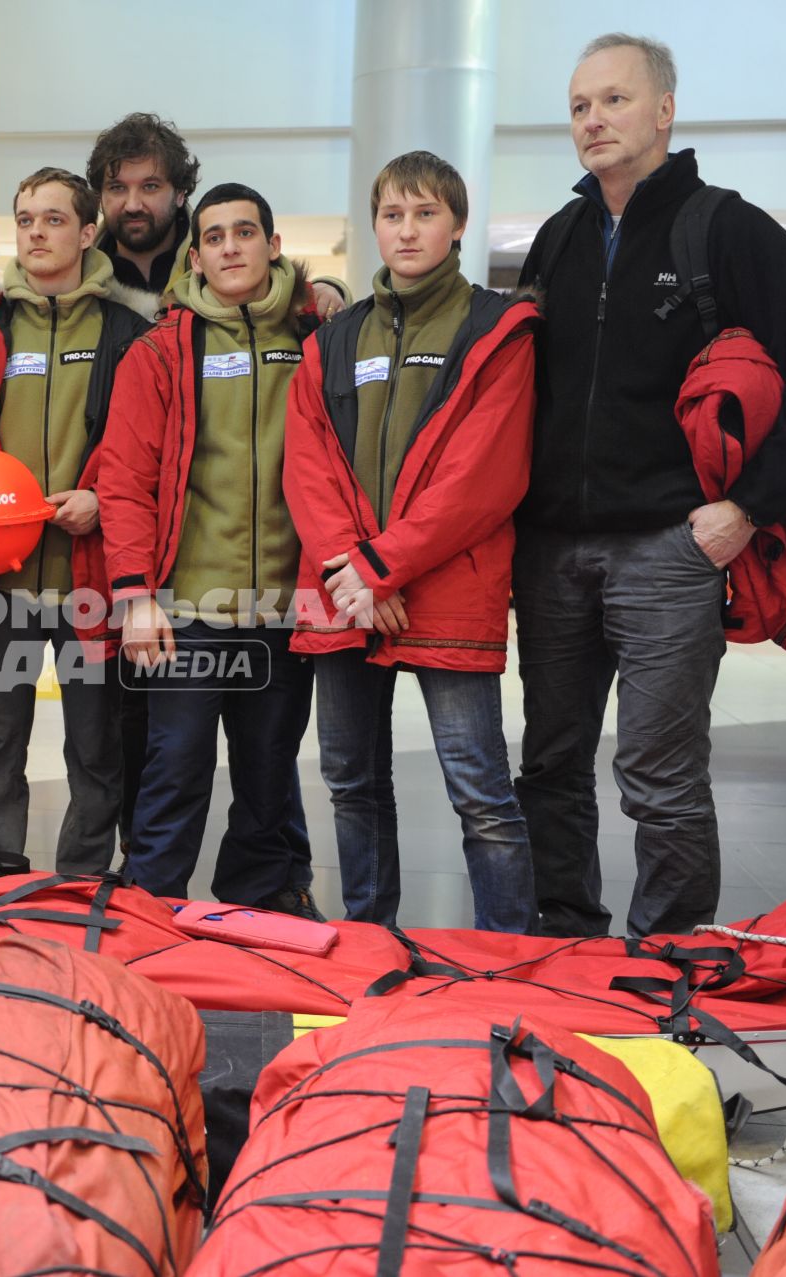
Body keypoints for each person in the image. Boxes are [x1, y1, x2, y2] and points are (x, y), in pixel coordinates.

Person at [512, 35, 786, 937]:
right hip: (551, 551)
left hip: (671, 548)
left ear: (664, 110)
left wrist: (748, 509)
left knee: (658, 777)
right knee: (549, 764)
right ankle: (565, 938)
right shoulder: (557, 239)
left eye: (615, 100)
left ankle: (669, 963)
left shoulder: (726, 228)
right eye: (581, 105)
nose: (594, 119)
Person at [285, 151, 539, 933]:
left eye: (425, 213)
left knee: (481, 791)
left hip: (441, 586)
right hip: (348, 589)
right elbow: (310, 460)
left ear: (457, 225)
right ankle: (369, 936)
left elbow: (482, 474)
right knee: (352, 783)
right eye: (393, 215)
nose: (407, 229)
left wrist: (382, 566)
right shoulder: (335, 338)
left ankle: (507, 954)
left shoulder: (499, 328)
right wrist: (354, 568)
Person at [0, 168, 148, 870]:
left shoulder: (128, 334)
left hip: (87, 578)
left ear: (89, 231)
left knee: (96, 746)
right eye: (25, 220)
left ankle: (81, 878)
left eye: (54, 219)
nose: (36, 233)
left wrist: (99, 498)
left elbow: (141, 447)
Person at [97, 182, 322, 914]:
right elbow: (124, 480)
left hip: (286, 607)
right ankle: (150, 910)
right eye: (216, 236)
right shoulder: (161, 350)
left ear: (273, 244)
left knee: (268, 771)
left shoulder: (319, 339)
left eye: (245, 233)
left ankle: (260, 905)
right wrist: (134, 596)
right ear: (195, 256)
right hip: (188, 605)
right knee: (176, 766)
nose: (231, 247)